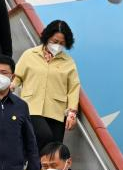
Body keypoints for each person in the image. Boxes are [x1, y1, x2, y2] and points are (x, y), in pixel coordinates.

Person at [13, 20, 81, 149]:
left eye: (62, 43)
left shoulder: (69, 62)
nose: (58, 45)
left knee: (53, 149)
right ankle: (27, 159)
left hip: (56, 111)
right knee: (44, 135)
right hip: (31, 107)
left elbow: (73, 88)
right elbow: (17, 76)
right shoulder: (29, 55)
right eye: (55, 41)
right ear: (47, 37)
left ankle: (34, 168)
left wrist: (72, 113)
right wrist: (11, 85)